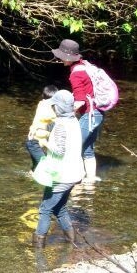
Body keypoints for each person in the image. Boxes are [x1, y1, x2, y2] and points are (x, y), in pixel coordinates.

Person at [32, 90, 84, 248]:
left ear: (59, 107)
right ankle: (72, 241)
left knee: (45, 209)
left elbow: (59, 150)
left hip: (62, 176)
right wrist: (48, 133)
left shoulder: (61, 124)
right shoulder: (74, 120)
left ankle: (37, 247)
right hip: (75, 173)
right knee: (59, 208)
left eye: (54, 105)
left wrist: (43, 141)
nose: (53, 108)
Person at [52, 39, 105, 183]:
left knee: (73, 146)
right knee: (87, 148)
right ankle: (91, 180)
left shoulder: (76, 74)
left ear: (68, 57)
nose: (59, 58)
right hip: (98, 113)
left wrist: (64, 114)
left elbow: (80, 100)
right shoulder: (84, 65)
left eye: (61, 55)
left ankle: (76, 179)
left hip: (90, 115)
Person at [25, 85, 58, 172]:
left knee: (36, 166)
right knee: (44, 165)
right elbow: (55, 118)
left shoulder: (42, 103)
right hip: (33, 143)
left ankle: (31, 178)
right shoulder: (46, 107)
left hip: (35, 141)